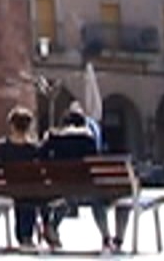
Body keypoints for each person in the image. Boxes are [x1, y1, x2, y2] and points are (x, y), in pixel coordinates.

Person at [40, 108, 127, 254]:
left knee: (65, 198)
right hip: (87, 191)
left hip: (60, 189)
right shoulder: (88, 139)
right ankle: (106, 237)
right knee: (96, 200)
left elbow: (40, 158)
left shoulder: (52, 139)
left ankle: (51, 227)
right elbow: (94, 163)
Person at [0, 106, 45, 250]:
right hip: (30, 191)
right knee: (29, 196)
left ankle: (24, 236)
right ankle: (26, 236)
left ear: (11, 126)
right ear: (29, 127)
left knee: (24, 195)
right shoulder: (34, 149)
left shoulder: (0, 147)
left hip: (6, 189)